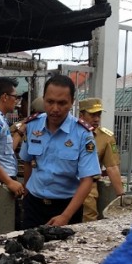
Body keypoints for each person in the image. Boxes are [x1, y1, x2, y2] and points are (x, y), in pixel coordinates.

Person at [19, 73, 101, 228]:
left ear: (72, 103)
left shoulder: (83, 133)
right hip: (34, 206)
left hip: (66, 207)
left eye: (62, 103)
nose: (55, 108)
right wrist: (27, 191)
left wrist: (65, 216)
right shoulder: (33, 125)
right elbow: (27, 161)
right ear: (43, 99)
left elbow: (87, 180)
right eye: (50, 102)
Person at [78, 97, 125, 221]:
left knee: (87, 224)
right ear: (81, 115)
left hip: (89, 189)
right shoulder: (69, 131)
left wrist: (121, 196)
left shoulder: (105, 137)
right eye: (92, 115)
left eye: (98, 115)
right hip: (65, 186)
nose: (96, 119)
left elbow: (112, 167)